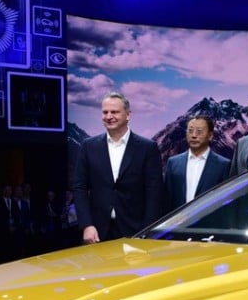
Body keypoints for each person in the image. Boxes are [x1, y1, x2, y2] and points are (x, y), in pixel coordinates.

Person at [73, 92, 163, 243]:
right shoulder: (88, 146)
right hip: (96, 232)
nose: (109, 116)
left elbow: (154, 192)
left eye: (114, 112)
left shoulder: (147, 148)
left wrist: (147, 231)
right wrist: (87, 225)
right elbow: (79, 187)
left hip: (136, 231)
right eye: (105, 112)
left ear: (128, 115)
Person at [163, 115, 231, 212]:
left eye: (199, 131)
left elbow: (225, 201)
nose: (194, 135)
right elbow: (167, 201)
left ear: (210, 136)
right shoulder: (173, 163)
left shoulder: (223, 165)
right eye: (190, 131)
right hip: (179, 220)